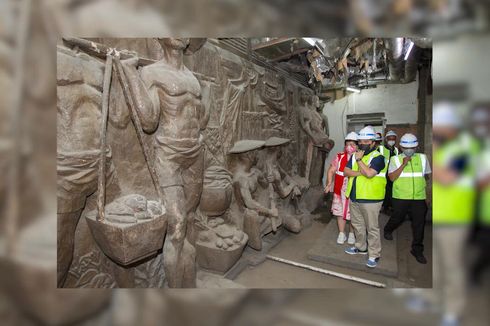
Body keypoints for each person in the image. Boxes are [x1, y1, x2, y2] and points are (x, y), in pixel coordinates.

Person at [430, 102, 478, 326]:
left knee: (452, 266)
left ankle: (453, 310)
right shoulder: (449, 147)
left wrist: (435, 152)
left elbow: (447, 178)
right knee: (438, 263)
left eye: (438, 127)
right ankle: (434, 300)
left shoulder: (464, 149)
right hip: (442, 217)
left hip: (455, 218)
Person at [383, 133, 431, 264]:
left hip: (418, 198)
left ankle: (417, 249)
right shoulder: (396, 160)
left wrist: (426, 196)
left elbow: (425, 176)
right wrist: (403, 164)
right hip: (401, 197)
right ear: (402, 147)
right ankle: (388, 229)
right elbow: (392, 178)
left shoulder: (422, 158)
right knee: (397, 218)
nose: (409, 150)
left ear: (417, 147)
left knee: (419, 224)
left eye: (412, 147)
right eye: (406, 147)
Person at [343, 126, 387, 268]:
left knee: (372, 228)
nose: (362, 144)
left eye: (366, 141)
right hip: (355, 197)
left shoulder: (378, 158)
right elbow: (346, 171)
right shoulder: (355, 156)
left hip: (371, 199)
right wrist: (360, 170)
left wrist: (360, 161)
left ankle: (374, 255)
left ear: (373, 143)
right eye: (360, 141)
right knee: (357, 225)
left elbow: (370, 174)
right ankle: (361, 247)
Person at [324, 132, 358, 245]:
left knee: (353, 214)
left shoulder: (360, 159)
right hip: (340, 191)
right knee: (339, 213)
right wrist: (329, 183)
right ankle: (342, 233)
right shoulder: (339, 157)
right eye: (347, 144)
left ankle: (352, 234)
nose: (349, 147)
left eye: (352, 144)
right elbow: (331, 170)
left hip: (354, 192)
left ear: (358, 145)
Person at [378, 130, 400, 213]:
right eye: (390, 139)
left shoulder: (396, 150)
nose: (392, 141)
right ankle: (383, 206)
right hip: (382, 173)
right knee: (383, 190)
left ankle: (388, 206)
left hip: (392, 173)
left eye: (393, 139)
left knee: (390, 190)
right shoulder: (380, 148)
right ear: (386, 139)